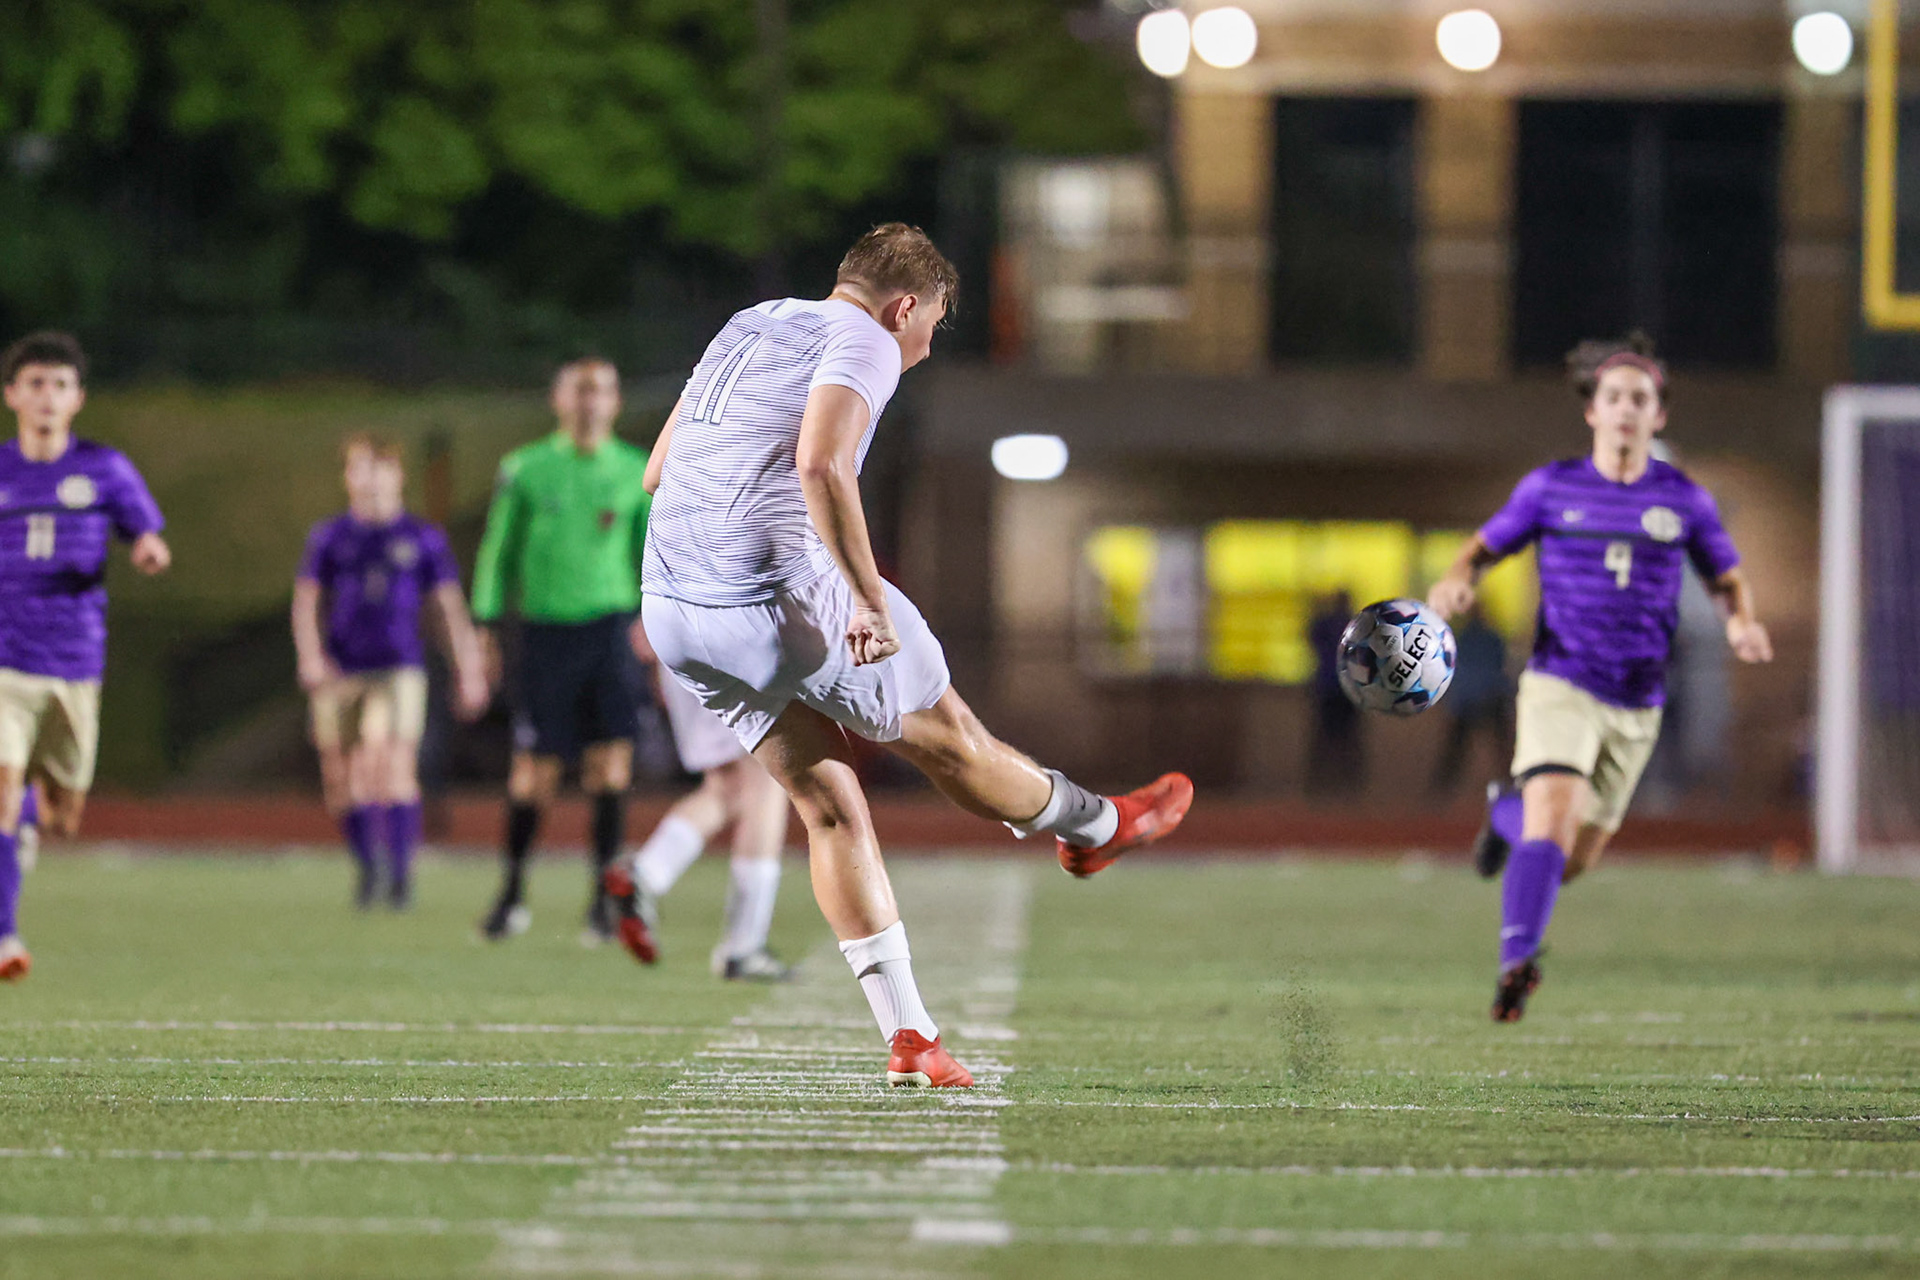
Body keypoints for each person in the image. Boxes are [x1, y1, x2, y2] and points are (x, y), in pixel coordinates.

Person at [628, 223, 1193, 1087]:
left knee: (827, 804)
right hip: (778, 602)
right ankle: (1098, 828)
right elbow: (822, 463)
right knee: (952, 739)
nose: (927, 344)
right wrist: (860, 597)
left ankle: (912, 1037)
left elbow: (658, 471)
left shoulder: (752, 321)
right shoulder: (863, 336)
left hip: (674, 609)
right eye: (931, 323)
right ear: (903, 306)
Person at [1428, 334, 1772, 1023]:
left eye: (1639, 399)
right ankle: (1515, 963)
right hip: (1559, 679)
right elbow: (1480, 550)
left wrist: (1740, 622)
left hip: (1638, 700)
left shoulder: (1684, 500)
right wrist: (1456, 581)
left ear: (1659, 416)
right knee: (1553, 818)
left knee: (1571, 858)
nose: (1624, 409)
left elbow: (1727, 578)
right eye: (1612, 396)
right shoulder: (1550, 488)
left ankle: (1504, 812)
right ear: (1592, 411)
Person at [0, 332, 171, 981]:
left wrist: (147, 550)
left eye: (60, 385)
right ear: (13, 394)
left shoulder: (105, 469)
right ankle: (5, 934)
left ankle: (22, 833)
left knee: (61, 815)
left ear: (78, 399)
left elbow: (144, 531)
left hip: (74, 661)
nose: (47, 396)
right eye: (35, 383)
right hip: (5, 660)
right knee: (2, 784)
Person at [472, 358, 653, 945]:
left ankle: (602, 902)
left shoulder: (635, 471)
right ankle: (511, 893)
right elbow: (497, 551)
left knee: (610, 765)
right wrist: (485, 626)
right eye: (578, 390)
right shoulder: (525, 469)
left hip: (610, 632)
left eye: (599, 391)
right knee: (533, 771)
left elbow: (653, 552)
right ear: (557, 399)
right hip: (544, 634)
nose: (588, 401)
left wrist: (653, 619)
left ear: (615, 402)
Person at [292, 434, 488, 909]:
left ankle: (401, 877)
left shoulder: (421, 538)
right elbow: (307, 603)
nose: (371, 479)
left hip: (400, 668)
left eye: (380, 469)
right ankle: (369, 869)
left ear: (397, 477)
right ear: (348, 477)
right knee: (343, 779)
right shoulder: (330, 537)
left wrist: (469, 667)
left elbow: (447, 608)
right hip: (343, 670)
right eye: (361, 468)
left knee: (389, 764)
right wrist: (311, 656)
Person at [606, 669, 794, 980]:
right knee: (766, 781)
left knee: (727, 784)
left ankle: (644, 874)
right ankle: (744, 946)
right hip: (737, 645)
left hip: (681, 647)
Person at [1427, 604, 1513, 800]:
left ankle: (1441, 789)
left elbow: (1452, 672)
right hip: (1486, 697)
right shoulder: (1486, 639)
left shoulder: (1462, 639)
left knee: (1458, 750)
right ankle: (1510, 785)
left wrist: (1449, 701)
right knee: (1495, 749)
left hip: (1470, 699)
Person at [1305, 590, 1362, 796]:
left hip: (1334, 688)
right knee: (1340, 739)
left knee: (1331, 739)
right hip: (1341, 688)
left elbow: (1312, 638)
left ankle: (1327, 784)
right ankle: (1339, 784)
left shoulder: (1334, 623)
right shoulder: (1354, 625)